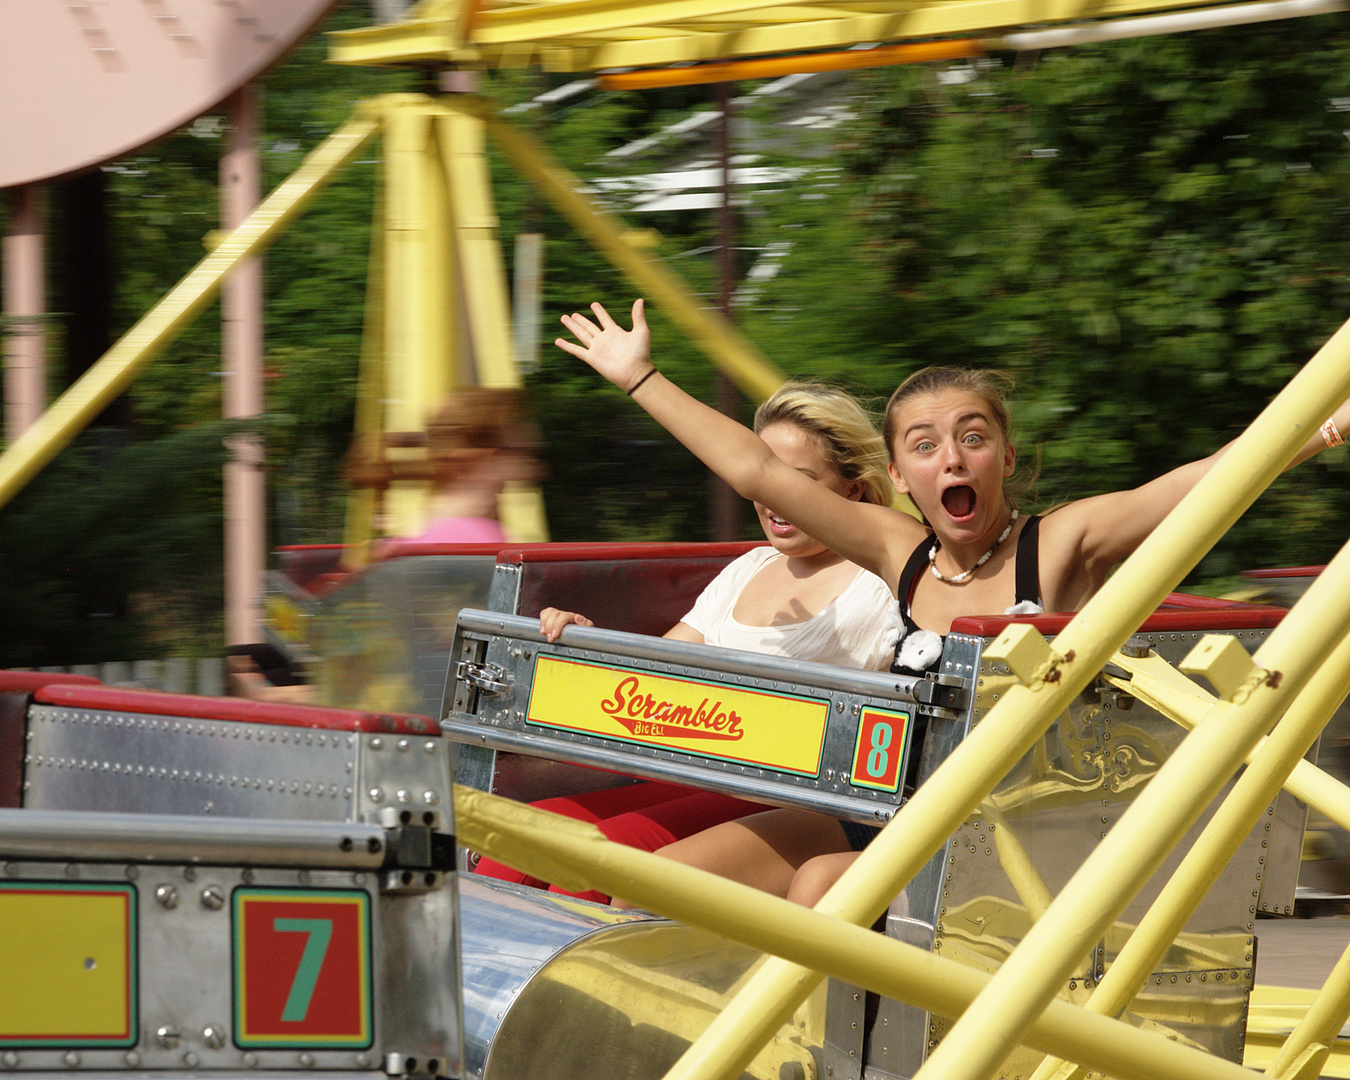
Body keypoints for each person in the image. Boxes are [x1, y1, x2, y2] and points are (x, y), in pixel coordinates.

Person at [554, 298, 1350, 906]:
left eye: (972, 437)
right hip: (890, 807)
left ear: (1004, 455)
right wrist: (641, 380)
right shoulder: (900, 551)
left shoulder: (1064, 542)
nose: (951, 457)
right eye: (925, 445)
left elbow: (1210, 478)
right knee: (650, 886)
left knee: (822, 892)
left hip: (1011, 826)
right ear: (899, 476)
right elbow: (759, 473)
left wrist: (1325, 427)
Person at [473, 381, 903, 902]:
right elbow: (662, 672)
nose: (773, 498)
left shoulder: (883, 579)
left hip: (804, 796)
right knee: (522, 834)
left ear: (853, 490)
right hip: (708, 773)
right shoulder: (750, 568)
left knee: (610, 857)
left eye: (799, 482)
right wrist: (591, 646)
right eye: (764, 478)